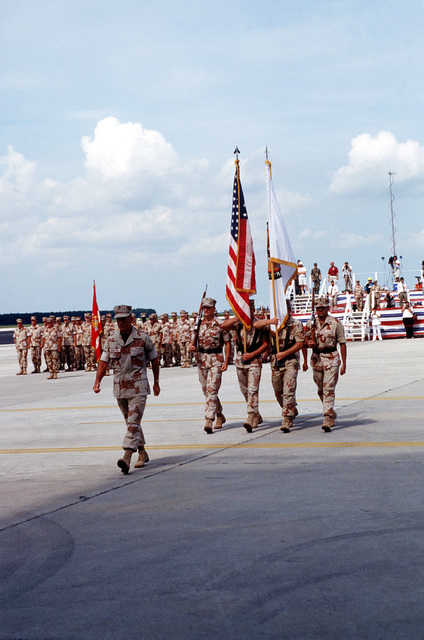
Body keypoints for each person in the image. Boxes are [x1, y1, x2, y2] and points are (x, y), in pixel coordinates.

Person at [93, 305, 160, 474]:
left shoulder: (143, 338)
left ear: (131, 319)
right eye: (118, 319)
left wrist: (156, 382)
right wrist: (97, 381)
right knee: (131, 422)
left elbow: (154, 360)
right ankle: (142, 452)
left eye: (124, 319)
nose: (121, 322)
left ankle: (127, 456)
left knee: (133, 422)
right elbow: (103, 362)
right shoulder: (110, 340)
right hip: (120, 388)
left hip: (138, 387)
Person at [254, 300, 304, 433]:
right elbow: (256, 325)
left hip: (290, 360)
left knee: (289, 389)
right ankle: (291, 408)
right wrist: (269, 322)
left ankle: (287, 418)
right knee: (278, 391)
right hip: (275, 362)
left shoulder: (296, 324)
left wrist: (285, 353)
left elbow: (299, 344)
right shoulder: (272, 325)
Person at [220, 300, 269, 432]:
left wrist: (253, 353)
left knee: (253, 390)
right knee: (245, 391)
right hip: (240, 361)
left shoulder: (259, 324)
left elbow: (266, 344)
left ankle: (250, 417)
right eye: (245, 309)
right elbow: (223, 326)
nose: (248, 311)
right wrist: (238, 316)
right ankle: (256, 414)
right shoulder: (238, 324)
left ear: (254, 310)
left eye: (250, 309)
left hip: (254, 361)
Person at [303, 297, 347, 432]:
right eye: (318, 308)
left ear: (328, 308)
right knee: (321, 390)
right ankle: (330, 411)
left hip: (331, 358)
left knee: (328, 388)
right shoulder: (311, 323)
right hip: (316, 359)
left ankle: (327, 417)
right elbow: (303, 342)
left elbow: (342, 343)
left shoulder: (335, 323)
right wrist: (306, 350)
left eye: (323, 307)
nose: (320, 310)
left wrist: (344, 364)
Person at [189, 297, 231, 434]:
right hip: (201, 360)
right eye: (204, 308)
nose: (206, 310)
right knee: (206, 391)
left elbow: (227, 343)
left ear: (214, 309)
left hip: (216, 359)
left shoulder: (220, 324)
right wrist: (191, 346)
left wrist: (226, 362)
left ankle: (209, 419)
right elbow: (193, 340)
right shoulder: (197, 324)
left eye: (208, 307)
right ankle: (219, 415)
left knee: (212, 389)